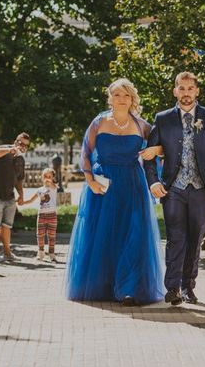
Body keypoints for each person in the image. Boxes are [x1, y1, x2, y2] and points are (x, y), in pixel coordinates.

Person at [65, 78, 165, 306]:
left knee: (133, 234)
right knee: (101, 234)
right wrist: (89, 180)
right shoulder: (99, 122)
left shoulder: (142, 125)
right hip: (103, 185)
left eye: (126, 95)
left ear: (132, 98)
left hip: (132, 183)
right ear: (110, 98)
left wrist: (155, 149)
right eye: (117, 95)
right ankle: (103, 285)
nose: (121, 99)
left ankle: (129, 288)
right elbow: (85, 152)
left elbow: (163, 147)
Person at [144, 72, 205, 305]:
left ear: (197, 91)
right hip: (173, 188)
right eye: (181, 88)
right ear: (175, 91)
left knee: (195, 238)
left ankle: (188, 286)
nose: (186, 93)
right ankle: (172, 288)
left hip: (202, 189)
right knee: (176, 237)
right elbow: (149, 155)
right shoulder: (163, 119)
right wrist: (153, 182)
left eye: (190, 88)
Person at [0, 132, 30, 262]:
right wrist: (10, 150)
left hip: (10, 197)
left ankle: (7, 253)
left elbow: (19, 180)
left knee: (7, 226)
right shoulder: (4, 149)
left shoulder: (20, 160)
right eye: (21, 142)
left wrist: (21, 196)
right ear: (16, 141)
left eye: (26, 145)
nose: (22, 146)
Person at [23, 168, 59, 262]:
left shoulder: (54, 187)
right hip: (41, 215)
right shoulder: (39, 190)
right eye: (45, 176)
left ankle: (52, 254)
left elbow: (53, 185)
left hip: (52, 215)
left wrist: (50, 182)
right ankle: (41, 252)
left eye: (49, 176)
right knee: (40, 235)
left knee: (52, 236)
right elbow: (31, 199)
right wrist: (23, 202)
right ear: (42, 178)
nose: (47, 178)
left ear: (52, 178)